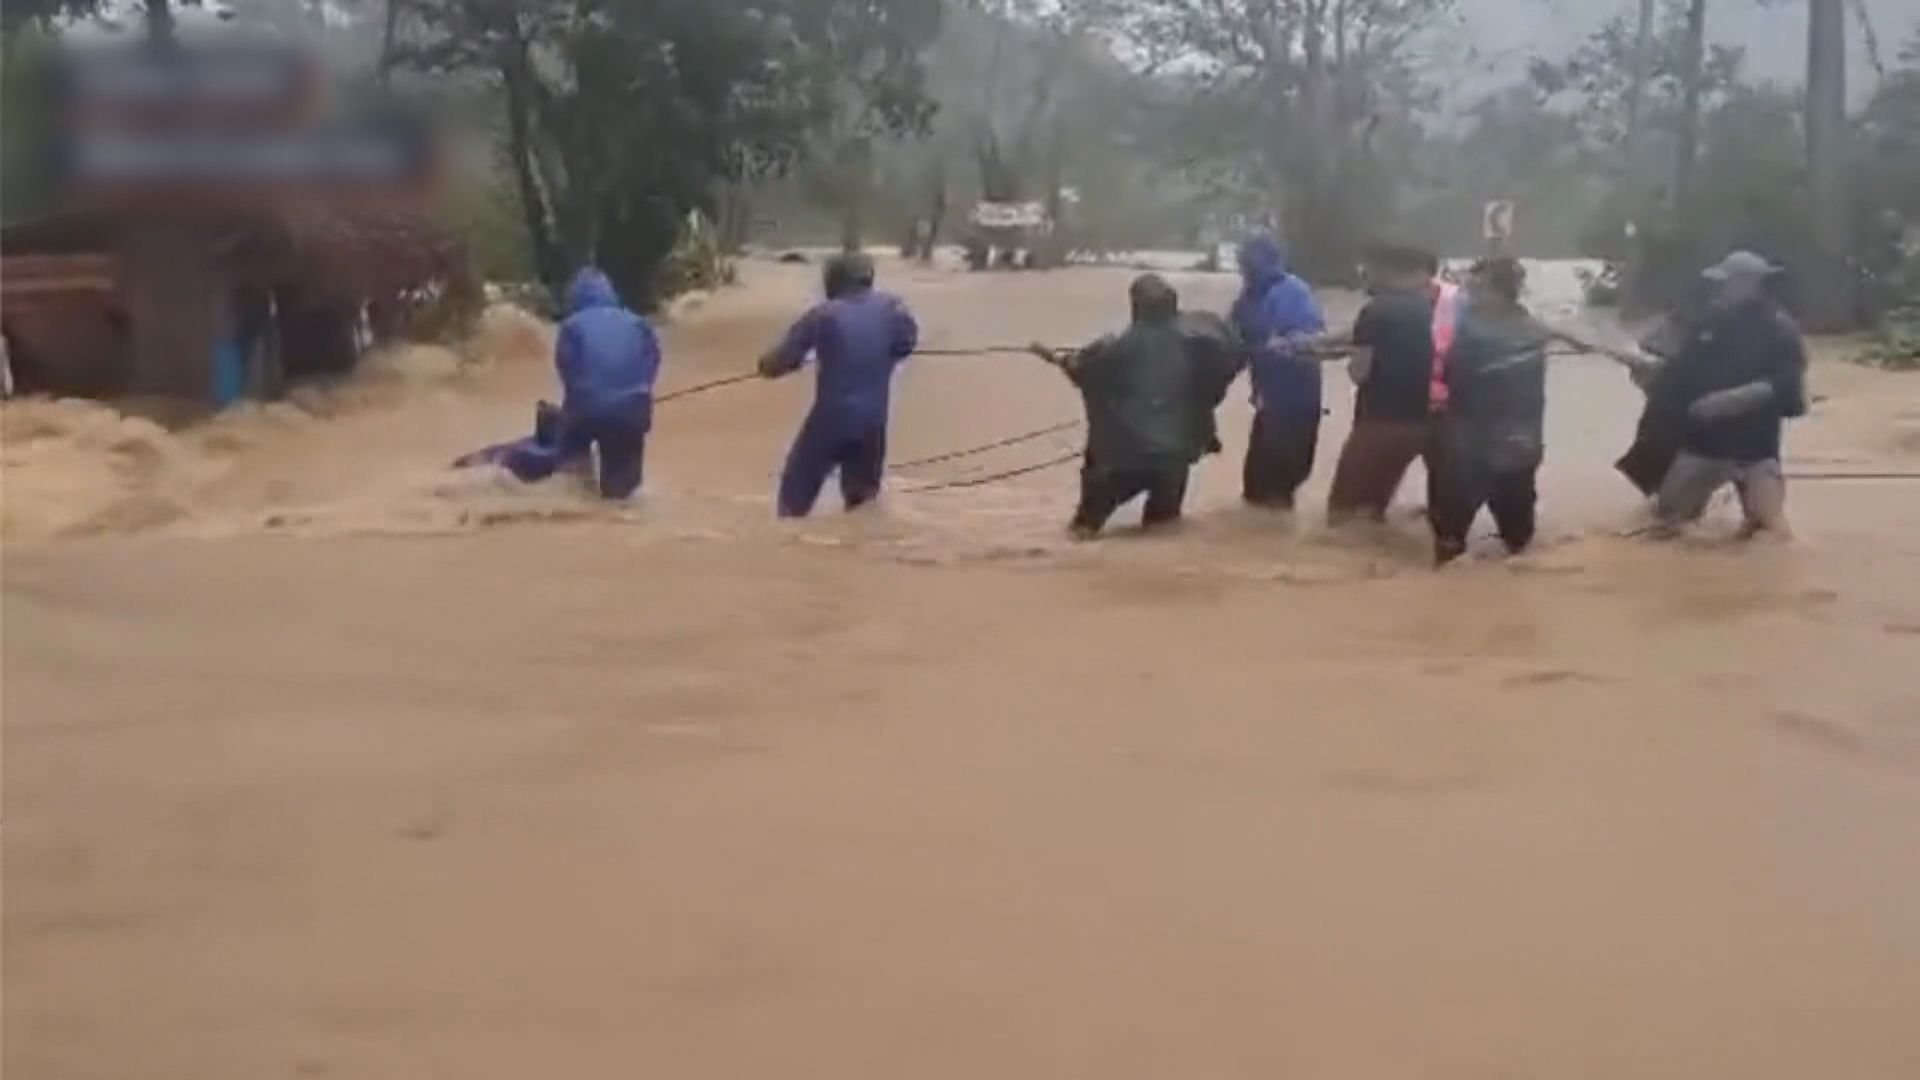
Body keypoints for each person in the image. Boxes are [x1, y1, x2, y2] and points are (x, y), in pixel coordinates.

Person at [1031, 274, 1235, 539]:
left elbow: (1084, 372)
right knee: (1162, 534)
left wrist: (1056, 358)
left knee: (1082, 531)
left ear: (1136, 306)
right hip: (1174, 460)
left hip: (1125, 458)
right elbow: (1226, 365)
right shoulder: (1198, 342)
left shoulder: (1121, 346)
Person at [1644, 251, 1809, 538]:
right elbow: (1681, 372)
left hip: (1756, 448)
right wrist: (1648, 374)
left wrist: (1732, 401)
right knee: (1669, 523)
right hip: (1703, 444)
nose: (1722, 289)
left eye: (1728, 282)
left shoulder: (1780, 328)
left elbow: (1788, 387)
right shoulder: (1708, 321)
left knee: (1772, 533)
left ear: (1751, 283)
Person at [760, 251, 919, 518]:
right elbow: (905, 344)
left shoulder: (823, 315)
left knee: (792, 501)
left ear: (833, 280)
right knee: (862, 504)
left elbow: (780, 361)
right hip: (873, 424)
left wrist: (765, 367)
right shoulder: (893, 308)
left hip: (831, 421)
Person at [1429, 257, 1553, 564]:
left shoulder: (1468, 329)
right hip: (1519, 447)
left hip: (1471, 448)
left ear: (1491, 289)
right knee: (1518, 545)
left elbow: (1449, 375)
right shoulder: (1533, 328)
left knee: (1449, 543)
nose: (1467, 291)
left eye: (1474, 285)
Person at [503, 267, 660, 499]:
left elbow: (566, 369)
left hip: (586, 406)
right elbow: (652, 362)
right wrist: (637, 393)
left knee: (573, 482)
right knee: (623, 494)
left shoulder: (572, 326)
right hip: (634, 407)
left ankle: (575, 496)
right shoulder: (638, 323)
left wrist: (580, 404)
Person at [1326, 243, 1441, 523]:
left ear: (1387, 270)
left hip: (1380, 422)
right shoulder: (1436, 307)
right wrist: (1320, 344)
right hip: (1428, 423)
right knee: (1373, 507)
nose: (1365, 276)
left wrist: (1351, 358)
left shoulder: (1377, 310)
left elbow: (1360, 372)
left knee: (1342, 515)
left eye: (1368, 269)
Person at [1231, 232, 1327, 509]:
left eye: (1247, 259)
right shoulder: (1249, 297)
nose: (1243, 265)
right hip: (1269, 405)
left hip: (1296, 406)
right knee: (1255, 492)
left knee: (1277, 489)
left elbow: (1309, 342)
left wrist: (1275, 347)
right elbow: (1231, 341)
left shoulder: (1293, 293)